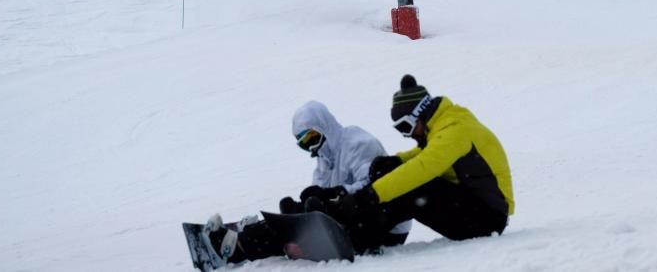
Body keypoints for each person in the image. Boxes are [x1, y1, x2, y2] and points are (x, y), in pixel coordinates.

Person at [200, 102, 411, 266]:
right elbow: (319, 206)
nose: (311, 147)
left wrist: (330, 195)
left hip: (383, 226)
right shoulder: (324, 158)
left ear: (325, 126)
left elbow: (372, 187)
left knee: (307, 218)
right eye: (303, 143)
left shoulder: (358, 144)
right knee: (297, 218)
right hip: (353, 220)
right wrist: (299, 211)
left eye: (312, 137)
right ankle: (246, 239)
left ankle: (235, 247)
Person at [333, 75, 514, 244]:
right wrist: (396, 161)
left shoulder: (455, 130)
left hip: (487, 219)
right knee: (397, 176)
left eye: (406, 127)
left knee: (415, 187)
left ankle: (360, 236)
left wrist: (369, 196)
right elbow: (425, 154)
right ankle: (351, 223)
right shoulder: (444, 126)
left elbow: (422, 167)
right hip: (475, 209)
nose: (407, 135)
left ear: (419, 113)